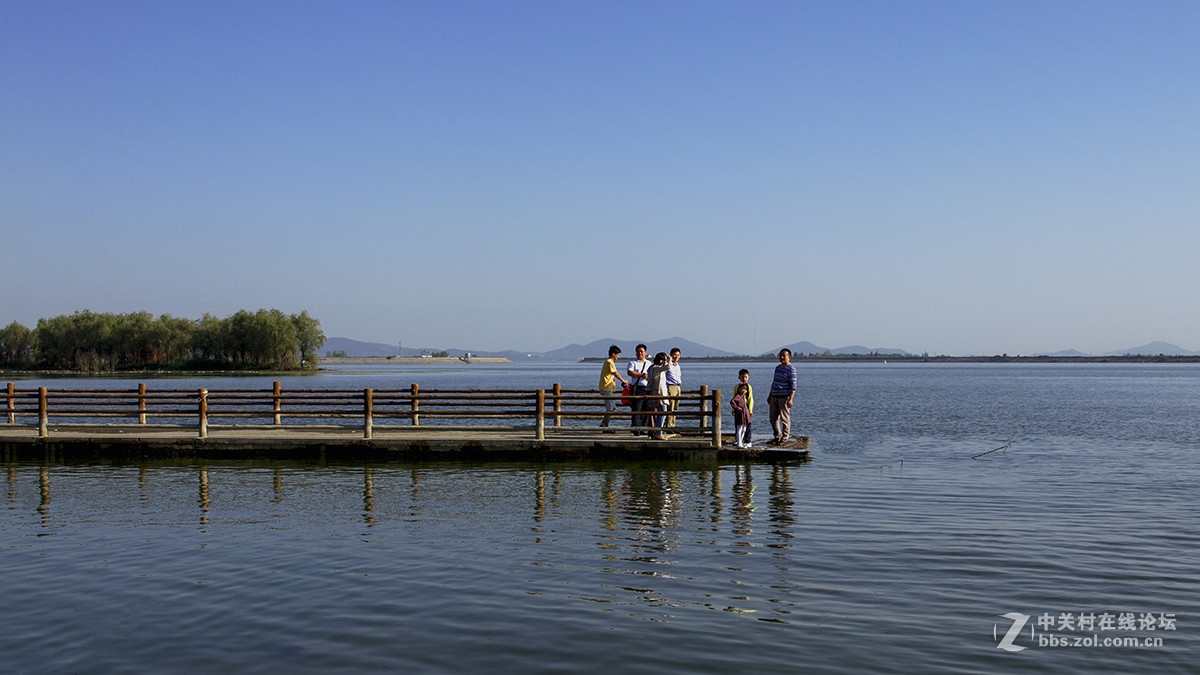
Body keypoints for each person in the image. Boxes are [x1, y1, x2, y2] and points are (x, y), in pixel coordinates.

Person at [768, 348, 797, 445]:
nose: (781, 357)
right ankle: (777, 436)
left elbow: (793, 386)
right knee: (773, 419)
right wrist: (769, 395)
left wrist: (791, 399)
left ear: (789, 357)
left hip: (784, 397)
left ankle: (785, 438)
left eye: (784, 355)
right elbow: (774, 383)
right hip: (774, 396)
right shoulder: (777, 368)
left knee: (784, 419)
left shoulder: (791, 369)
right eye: (780, 355)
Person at [598, 345, 628, 430]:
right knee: (610, 408)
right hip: (606, 388)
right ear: (613, 354)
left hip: (607, 388)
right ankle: (605, 426)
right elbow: (616, 374)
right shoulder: (610, 363)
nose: (618, 356)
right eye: (617, 354)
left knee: (612, 407)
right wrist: (623, 381)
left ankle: (604, 424)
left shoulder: (607, 362)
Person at [626, 344, 652, 432]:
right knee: (636, 409)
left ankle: (644, 429)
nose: (639, 353)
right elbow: (630, 372)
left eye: (641, 351)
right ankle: (635, 429)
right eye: (638, 351)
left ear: (645, 352)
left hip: (647, 389)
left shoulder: (649, 363)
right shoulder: (633, 362)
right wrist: (642, 375)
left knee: (646, 409)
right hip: (637, 388)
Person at [647, 351, 671, 440]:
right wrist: (670, 359)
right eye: (664, 359)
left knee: (660, 413)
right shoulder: (656, 368)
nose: (665, 361)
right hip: (659, 393)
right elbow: (668, 367)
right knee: (663, 413)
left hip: (662, 392)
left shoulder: (655, 368)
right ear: (660, 360)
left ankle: (657, 432)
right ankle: (658, 432)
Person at [733, 368, 753, 447]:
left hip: (746, 408)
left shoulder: (749, 387)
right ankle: (738, 440)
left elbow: (750, 399)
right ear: (739, 377)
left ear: (748, 378)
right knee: (738, 424)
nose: (744, 379)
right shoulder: (736, 387)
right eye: (742, 377)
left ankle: (748, 441)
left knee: (747, 424)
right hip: (738, 408)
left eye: (745, 377)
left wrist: (750, 410)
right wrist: (733, 409)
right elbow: (733, 398)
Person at [730, 382, 752, 449]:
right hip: (740, 415)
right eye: (742, 389)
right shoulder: (737, 396)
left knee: (744, 429)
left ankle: (741, 442)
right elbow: (732, 401)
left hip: (745, 415)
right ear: (739, 389)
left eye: (745, 389)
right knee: (739, 429)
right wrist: (736, 408)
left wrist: (749, 411)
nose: (743, 391)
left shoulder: (743, 397)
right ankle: (739, 443)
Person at [665, 347, 682, 429]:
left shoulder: (678, 366)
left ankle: (673, 425)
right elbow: (663, 377)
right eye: (674, 354)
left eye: (678, 355)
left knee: (676, 407)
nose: (676, 356)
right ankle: (668, 426)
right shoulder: (668, 365)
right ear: (671, 355)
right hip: (671, 387)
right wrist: (666, 389)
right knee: (670, 407)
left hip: (678, 387)